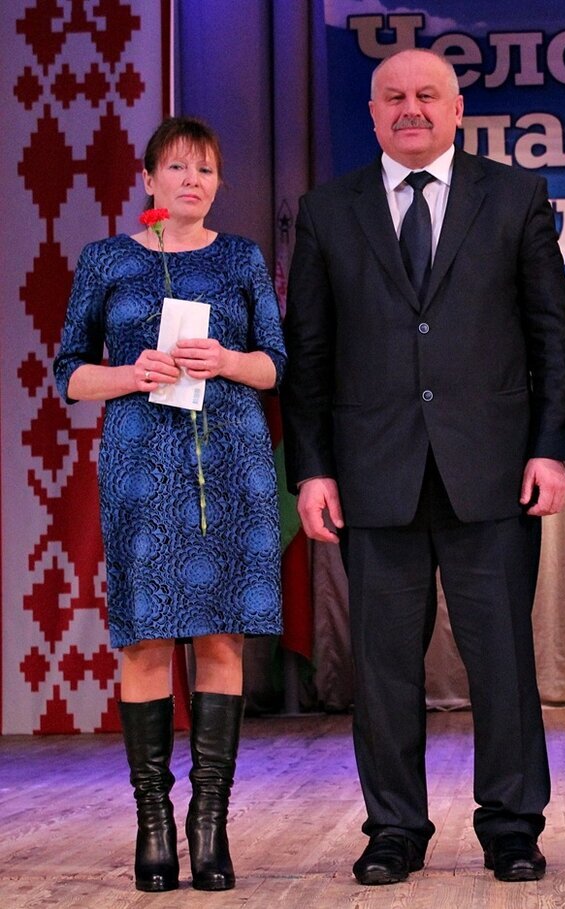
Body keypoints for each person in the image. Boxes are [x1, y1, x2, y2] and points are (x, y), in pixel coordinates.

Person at [282, 49, 565, 886]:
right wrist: (312, 468)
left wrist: (551, 448)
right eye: (394, 97)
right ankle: (394, 828)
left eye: (426, 94)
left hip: (494, 471)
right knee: (381, 668)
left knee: (503, 662)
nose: (410, 108)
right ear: (373, 113)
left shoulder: (515, 195)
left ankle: (512, 826)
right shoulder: (328, 209)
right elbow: (309, 351)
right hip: (372, 475)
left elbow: (552, 335)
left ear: (457, 108)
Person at [53, 116, 286, 892]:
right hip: (141, 466)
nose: (193, 180)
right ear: (149, 179)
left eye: (207, 169)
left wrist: (226, 359)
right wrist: (131, 373)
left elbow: (275, 365)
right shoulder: (107, 259)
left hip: (230, 464)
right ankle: (153, 820)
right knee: (146, 638)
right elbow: (68, 372)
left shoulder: (241, 257)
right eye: (179, 167)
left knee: (222, 634)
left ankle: (209, 823)